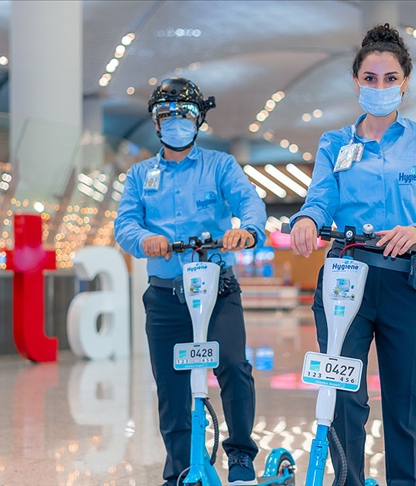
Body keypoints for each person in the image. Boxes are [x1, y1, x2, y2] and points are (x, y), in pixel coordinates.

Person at [289, 23, 416, 486]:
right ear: (356, 81)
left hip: (408, 284)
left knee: (406, 404)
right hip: (345, 279)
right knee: (343, 398)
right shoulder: (335, 144)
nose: (379, 87)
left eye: (389, 78)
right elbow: (319, 200)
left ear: (405, 82)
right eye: (369, 78)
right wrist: (305, 219)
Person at [114, 77, 266, 486]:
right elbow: (125, 224)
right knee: (171, 387)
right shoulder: (140, 175)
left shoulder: (220, 165)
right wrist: (146, 239)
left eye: (184, 115)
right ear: (156, 122)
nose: (175, 122)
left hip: (217, 289)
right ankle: (182, 468)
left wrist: (247, 229)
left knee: (233, 366)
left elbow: (248, 201)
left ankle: (240, 457)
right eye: (167, 115)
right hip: (165, 297)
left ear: (198, 120)